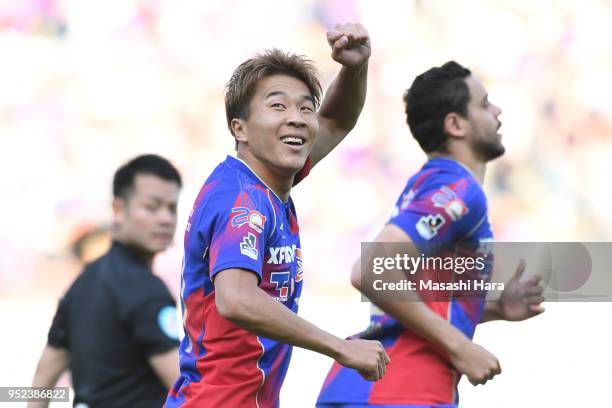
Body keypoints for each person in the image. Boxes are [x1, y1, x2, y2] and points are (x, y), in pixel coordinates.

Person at [165, 23, 389, 408]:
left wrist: (355, 68)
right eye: (278, 106)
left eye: (305, 107)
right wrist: (340, 348)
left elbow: (336, 121)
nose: (298, 118)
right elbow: (235, 299)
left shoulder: (269, 182)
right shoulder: (242, 198)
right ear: (240, 129)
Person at [316, 61, 545, 407]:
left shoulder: (430, 182)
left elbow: (405, 295)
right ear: (455, 124)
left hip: (374, 387)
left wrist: (491, 307)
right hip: (400, 391)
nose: (497, 111)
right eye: (484, 104)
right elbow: (372, 270)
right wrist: (461, 346)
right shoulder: (458, 190)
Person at [29, 154, 183, 408]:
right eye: (152, 207)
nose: (166, 219)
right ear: (118, 209)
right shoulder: (146, 290)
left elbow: (42, 379)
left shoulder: (82, 283)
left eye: (172, 208)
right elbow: (184, 389)